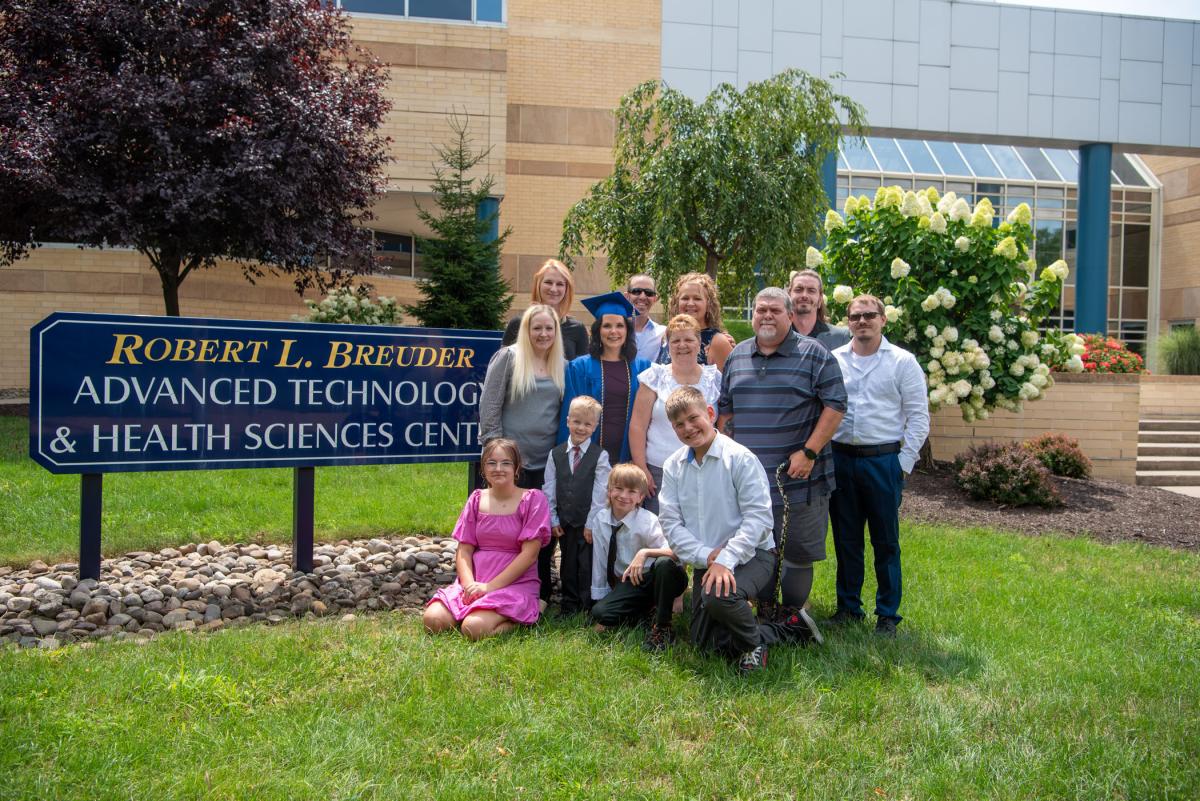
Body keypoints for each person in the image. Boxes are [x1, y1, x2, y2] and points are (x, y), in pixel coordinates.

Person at [658, 387, 819, 674]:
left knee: (718, 596)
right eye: (679, 424)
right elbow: (671, 524)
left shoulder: (739, 458)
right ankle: (790, 629)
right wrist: (709, 556)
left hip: (753, 554)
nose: (688, 428)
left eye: (693, 418)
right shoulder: (673, 467)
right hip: (707, 560)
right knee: (703, 643)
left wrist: (725, 559)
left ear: (710, 413)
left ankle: (753, 648)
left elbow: (758, 520)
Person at [717, 287, 846, 639]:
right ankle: (765, 613)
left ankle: (792, 617)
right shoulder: (737, 356)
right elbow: (725, 411)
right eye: (760, 311)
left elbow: (836, 406)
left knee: (797, 552)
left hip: (799, 480)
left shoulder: (815, 355)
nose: (767, 317)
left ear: (790, 315)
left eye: (775, 310)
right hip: (748, 482)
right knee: (757, 549)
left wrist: (809, 452)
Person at [829, 295, 930, 637]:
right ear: (848, 322)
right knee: (846, 539)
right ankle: (849, 607)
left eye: (869, 315)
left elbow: (918, 418)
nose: (862, 321)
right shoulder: (835, 360)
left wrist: (903, 464)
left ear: (883, 320)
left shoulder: (903, 362)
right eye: (855, 316)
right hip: (841, 459)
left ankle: (888, 614)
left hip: (883, 461)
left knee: (886, 541)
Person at [424, 438, 552, 640]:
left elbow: (529, 555)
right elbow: (464, 550)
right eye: (491, 463)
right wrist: (469, 586)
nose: (498, 468)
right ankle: (473, 610)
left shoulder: (533, 500)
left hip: (514, 584)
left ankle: (527, 616)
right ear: (483, 469)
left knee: (473, 628)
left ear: (517, 468)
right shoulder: (476, 499)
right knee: (433, 621)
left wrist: (489, 587)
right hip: (476, 580)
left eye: (506, 463)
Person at [586, 463, 688, 652]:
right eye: (618, 488)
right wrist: (601, 599)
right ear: (609, 491)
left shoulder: (648, 521)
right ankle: (645, 611)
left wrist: (645, 553)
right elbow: (599, 560)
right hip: (633, 584)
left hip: (659, 578)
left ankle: (662, 626)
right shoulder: (600, 519)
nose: (624, 496)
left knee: (664, 563)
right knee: (600, 613)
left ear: (641, 497)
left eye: (632, 491)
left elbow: (677, 553)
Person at [628, 313, 722, 514]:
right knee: (661, 533)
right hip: (659, 470)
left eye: (688, 339)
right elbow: (638, 425)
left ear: (699, 343)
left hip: (707, 467)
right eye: (676, 340)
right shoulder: (654, 377)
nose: (682, 345)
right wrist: (641, 468)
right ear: (667, 344)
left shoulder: (714, 379)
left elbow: (723, 424)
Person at [479, 304, 565, 492]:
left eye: (549, 328)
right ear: (526, 330)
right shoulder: (508, 357)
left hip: (546, 464)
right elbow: (490, 406)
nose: (544, 334)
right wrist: (497, 453)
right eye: (537, 328)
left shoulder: (562, 366)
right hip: (510, 462)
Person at [560, 291, 651, 464]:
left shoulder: (643, 368)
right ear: (598, 331)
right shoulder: (579, 367)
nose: (614, 331)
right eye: (607, 326)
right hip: (586, 457)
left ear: (627, 330)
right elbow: (568, 413)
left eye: (619, 325)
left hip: (629, 457)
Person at [542, 395, 611, 614]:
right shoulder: (555, 455)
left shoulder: (600, 456)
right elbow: (549, 488)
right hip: (565, 521)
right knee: (568, 563)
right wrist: (553, 518)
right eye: (577, 421)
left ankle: (588, 604)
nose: (581, 427)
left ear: (595, 427)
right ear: (568, 421)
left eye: (587, 424)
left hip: (588, 522)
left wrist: (591, 523)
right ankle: (569, 605)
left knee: (588, 563)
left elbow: (601, 492)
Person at [502, 259, 590, 359]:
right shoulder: (518, 324)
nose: (553, 289)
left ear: (567, 289)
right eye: (548, 282)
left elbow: (582, 372)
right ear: (538, 285)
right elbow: (504, 367)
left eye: (560, 284)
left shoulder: (577, 329)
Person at [655, 272, 735, 370]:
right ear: (677, 303)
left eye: (697, 298)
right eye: (685, 298)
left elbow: (729, 383)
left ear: (709, 305)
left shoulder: (718, 342)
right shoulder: (668, 335)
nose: (690, 303)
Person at [787, 269, 850, 352]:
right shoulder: (778, 335)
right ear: (789, 295)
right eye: (798, 289)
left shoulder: (840, 337)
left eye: (811, 291)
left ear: (820, 299)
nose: (804, 295)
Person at [625, 273, 666, 363]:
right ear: (627, 296)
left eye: (649, 293)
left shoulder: (663, 333)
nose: (643, 297)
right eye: (636, 291)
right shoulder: (616, 331)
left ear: (655, 299)